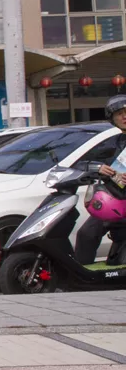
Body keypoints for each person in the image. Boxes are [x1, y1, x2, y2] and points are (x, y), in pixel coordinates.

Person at [75, 94, 126, 265]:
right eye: (119, 114)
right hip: (113, 201)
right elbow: (81, 162)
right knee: (86, 234)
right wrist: (98, 167)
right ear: (112, 119)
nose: (124, 117)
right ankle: (82, 274)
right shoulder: (113, 142)